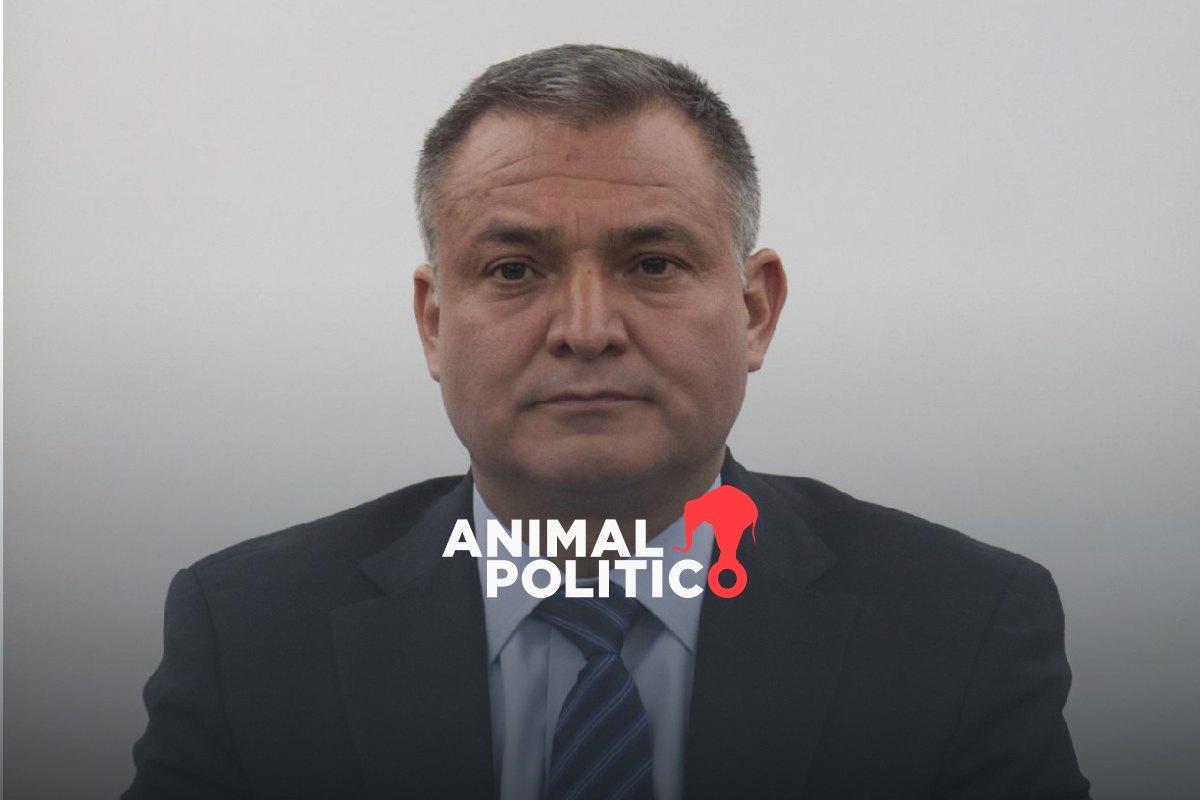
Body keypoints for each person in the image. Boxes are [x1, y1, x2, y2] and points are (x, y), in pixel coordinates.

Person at [122, 44, 1092, 799]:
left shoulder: (958, 630)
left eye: (653, 264)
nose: (586, 331)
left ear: (755, 310)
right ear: (433, 324)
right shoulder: (250, 635)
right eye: (514, 270)